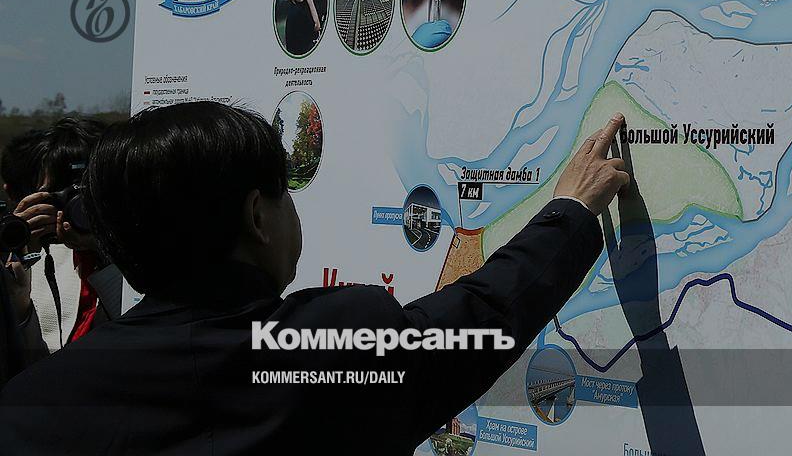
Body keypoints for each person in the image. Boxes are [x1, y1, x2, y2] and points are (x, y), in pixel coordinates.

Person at [0, 102, 630, 454]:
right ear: (257, 217)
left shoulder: (33, 406)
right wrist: (570, 211)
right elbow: (480, 316)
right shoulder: (326, 349)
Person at [0, 119, 111, 363]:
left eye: (85, 192)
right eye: (62, 193)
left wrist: (105, 250)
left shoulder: (141, 259)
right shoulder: (31, 262)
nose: (77, 206)